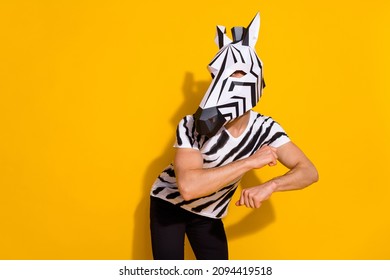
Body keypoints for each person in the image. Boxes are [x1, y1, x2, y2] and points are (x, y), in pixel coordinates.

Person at [149, 13, 318, 260]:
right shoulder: (190, 125)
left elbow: (309, 171)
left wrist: (271, 186)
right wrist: (250, 162)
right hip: (169, 205)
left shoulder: (265, 129)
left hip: (209, 214)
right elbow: (188, 187)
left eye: (237, 73)